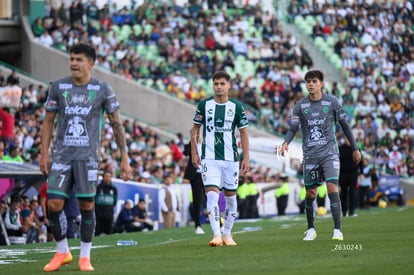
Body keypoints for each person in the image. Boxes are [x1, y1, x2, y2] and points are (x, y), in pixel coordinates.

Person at [40, 43, 131, 272]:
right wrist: (44, 153)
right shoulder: (58, 87)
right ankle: (62, 251)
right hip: (61, 156)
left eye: (79, 59)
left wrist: (124, 157)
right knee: (53, 204)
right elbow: (48, 121)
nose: (73, 63)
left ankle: (84, 256)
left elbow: (116, 123)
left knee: (86, 204)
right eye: (71, 59)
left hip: (88, 158)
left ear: (91, 63)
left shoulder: (102, 89)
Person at [278, 70, 361, 241]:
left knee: (332, 187)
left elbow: (344, 125)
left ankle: (337, 229)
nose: (310, 84)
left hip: (329, 153)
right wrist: (285, 142)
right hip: (310, 155)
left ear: (321, 84)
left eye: (314, 81)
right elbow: (293, 128)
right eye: (308, 81)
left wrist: (355, 148)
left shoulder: (331, 102)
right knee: (310, 193)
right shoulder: (300, 105)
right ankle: (311, 229)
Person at [191, 71, 250, 247]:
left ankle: (227, 233)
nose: (219, 86)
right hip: (209, 158)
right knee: (211, 196)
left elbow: (244, 133)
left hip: (231, 158)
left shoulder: (237, 107)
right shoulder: (204, 105)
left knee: (231, 199)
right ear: (213, 85)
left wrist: (246, 157)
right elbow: (194, 130)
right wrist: (194, 153)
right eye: (216, 83)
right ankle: (216, 234)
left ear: (229, 85)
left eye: (222, 83)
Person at [183, 138, 205, 235]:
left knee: (212, 197)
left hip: (207, 174)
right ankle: (198, 225)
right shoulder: (191, 144)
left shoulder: (208, 142)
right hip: (195, 175)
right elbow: (185, 153)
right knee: (197, 201)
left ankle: (219, 224)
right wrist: (192, 142)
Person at [339, 136, 363, 217]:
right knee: (343, 192)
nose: (347, 140)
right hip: (342, 174)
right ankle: (344, 211)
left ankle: (352, 211)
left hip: (353, 173)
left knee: (353, 192)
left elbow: (361, 161)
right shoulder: (340, 148)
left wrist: (361, 173)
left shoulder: (356, 148)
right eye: (346, 138)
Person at [95, 170, 118, 236]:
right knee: (97, 233)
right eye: (106, 176)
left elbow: (114, 202)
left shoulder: (114, 189)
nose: (108, 178)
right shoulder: (98, 187)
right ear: (103, 177)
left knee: (109, 233)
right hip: (98, 214)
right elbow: (94, 200)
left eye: (109, 177)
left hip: (109, 214)